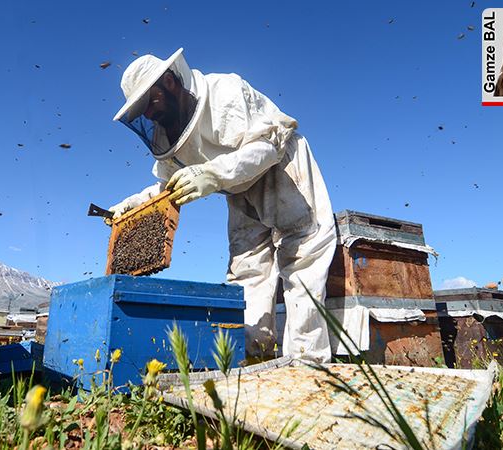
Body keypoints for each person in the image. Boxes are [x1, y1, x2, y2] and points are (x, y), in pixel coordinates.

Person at [108, 48, 337, 363]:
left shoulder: (224, 92)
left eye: (150, 103)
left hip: (282, 172)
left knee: (301, 262)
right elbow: (167, 189)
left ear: (170, 82)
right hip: (238, 191)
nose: (148, 114)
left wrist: (214, 174)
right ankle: (254, 359)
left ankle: (307, 365)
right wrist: (133, 206)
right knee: (246, 272)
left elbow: (269, 144)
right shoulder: (166, 133)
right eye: (141, 111)